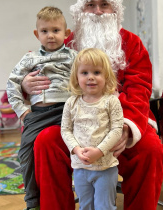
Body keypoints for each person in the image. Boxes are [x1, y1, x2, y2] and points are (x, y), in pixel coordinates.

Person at [21, 0, 163, 209]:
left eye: (105, 4)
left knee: (151, 150)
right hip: (74, 122)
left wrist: (125, 127)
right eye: (90, 4)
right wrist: (26, 84)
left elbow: (139, 88)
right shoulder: (65, 43)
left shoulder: (132, 43)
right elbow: (41, 73)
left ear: (115, 9)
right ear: (80, 10)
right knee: (46, 142)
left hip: (121, 119)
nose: (98, 11)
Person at [6, 6, 77, 210]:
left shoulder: (74, 56)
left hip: (67, 111)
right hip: (38, 115)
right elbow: (12, 84)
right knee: (25, 154)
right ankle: (33, 201)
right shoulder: (30, 59)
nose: (51, 35)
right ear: (37, 34)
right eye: (45, 31)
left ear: (66, 33)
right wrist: (23, 111)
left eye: (56, 30)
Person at [61, 48, 124, 209]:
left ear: (106, 76)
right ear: (76, 76)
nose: (90, 77)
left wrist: (99, 151)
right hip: (80, 168)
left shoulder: (111, 101)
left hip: (105, 168)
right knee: (85, 206)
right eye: (84, 73)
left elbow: (117, 129)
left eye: (96, 72)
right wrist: (75, 149)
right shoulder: (71, 103)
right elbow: (65, 129)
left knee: (105, 206)